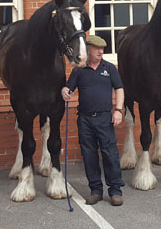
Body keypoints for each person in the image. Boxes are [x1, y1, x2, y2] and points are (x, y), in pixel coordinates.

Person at [61, 35, 126, 206]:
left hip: (105, 118)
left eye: (102, 49)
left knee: (110, 154)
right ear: (88, 49)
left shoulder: (110, 68)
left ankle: (115, 191)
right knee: (89, 156)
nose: (100, 52)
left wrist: (118, 110)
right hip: (85, 120)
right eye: (97, 49)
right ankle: (95, 190)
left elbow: (119, 89)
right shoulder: (78, 70)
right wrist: (65, 91)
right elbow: (68, 88)